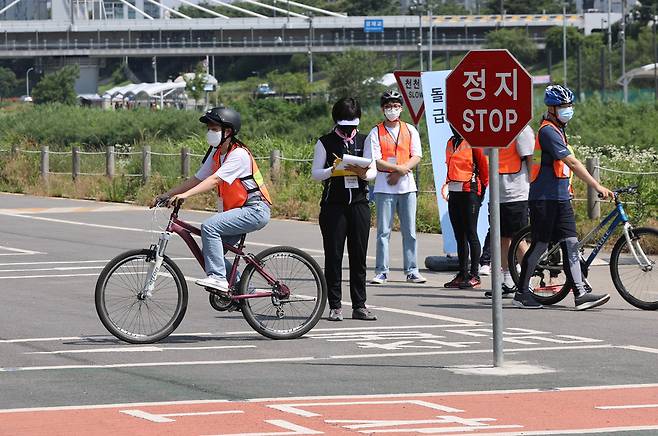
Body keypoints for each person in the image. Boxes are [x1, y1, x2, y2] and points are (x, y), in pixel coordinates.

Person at [514, 85, 613, 310]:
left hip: (560, 197)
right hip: (545, 199)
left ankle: (579, 293)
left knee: (571, 244)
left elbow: (560, 168)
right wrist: (596, 185)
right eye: (563, 106)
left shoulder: (559, 130)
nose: (567, 110)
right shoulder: (547, 131)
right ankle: (521, 293)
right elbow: (572, 162)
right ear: (551, 108)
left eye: (569, 106)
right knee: (540, 245)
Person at [153, 107, 272, 292]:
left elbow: (215, 179)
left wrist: (185, 196)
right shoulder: (216, 154)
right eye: (209, 128)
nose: (210, 133)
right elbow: (197, 179)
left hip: (255, 210)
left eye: (215, 129)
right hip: (237, 211)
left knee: (210, 227)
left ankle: (218, 278)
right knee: (210, 249)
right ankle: (241, 288)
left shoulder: (238, 154)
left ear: (228, 131)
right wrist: (167, 195)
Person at [312, 97, 378, 321]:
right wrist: (332, 170)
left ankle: (360, 305)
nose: (349, 130)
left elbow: (373, 170)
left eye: (352, 125)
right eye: (344, 125)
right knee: (334, 255)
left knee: (359, 256)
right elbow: (315, 173)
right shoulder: (325, 142)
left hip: (359, 204)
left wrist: (363, 174)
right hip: (334, 206)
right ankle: (335, 306)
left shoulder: (365, 138)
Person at [367, 90, 426, 285]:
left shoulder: (410, 129)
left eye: (395, 106)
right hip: (384, 187)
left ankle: (412, 270)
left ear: (401, 108)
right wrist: (397, 169)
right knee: (383, 231)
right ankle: (382, 271)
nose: (392, 109)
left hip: (407, 187)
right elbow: (375, 160)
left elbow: (416, 155)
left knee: (409, 231)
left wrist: (401, 171)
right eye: (388, 106)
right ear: (383, 109)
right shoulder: (376, 132)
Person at [483, 124, 534, 298]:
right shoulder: (490, 128)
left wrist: (534, 186)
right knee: (502, 239)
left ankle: (528, 282)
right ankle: (508, 281)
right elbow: (489, 154)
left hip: (517, 193)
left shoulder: (522, 129)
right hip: (497, 193)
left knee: (519, 240)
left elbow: (531, 159)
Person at [441, 126, 489, 289]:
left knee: (471, 232)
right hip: (454, 190)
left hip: (470, 190)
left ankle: (475, 275)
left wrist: (481, 192)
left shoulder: (473, 142)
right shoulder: (451, 142)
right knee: (459, 235)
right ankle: (462, 273)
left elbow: (484, 167)